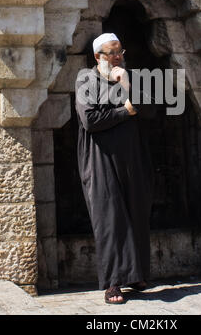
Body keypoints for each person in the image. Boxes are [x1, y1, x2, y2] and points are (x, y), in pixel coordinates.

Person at [75, 33, 155, 304]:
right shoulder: (86, 79)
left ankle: (137, 274)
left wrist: (127, 84)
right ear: (98, 57)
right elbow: (90, 119)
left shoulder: (129, 76)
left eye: (120, 51)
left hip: (132, 157)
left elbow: (148, 108)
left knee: (136, 212)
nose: (118, 56)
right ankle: (113, 284)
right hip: (100, 159)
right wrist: (125, 111)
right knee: (110, 219)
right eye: (112, 52)